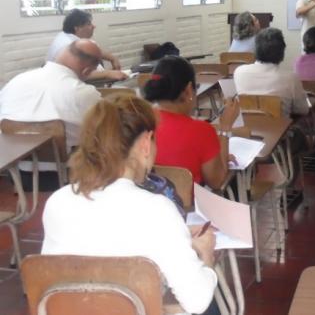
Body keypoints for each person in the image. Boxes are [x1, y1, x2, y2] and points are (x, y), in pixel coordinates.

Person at [41, 94, 218, 315]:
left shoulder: (57, 202)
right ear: (145, 143)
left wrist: (178, 236)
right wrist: (207, 256)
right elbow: (197, 301)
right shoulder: (156, 209)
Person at [0, 40, 102, 167]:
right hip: (70, 173)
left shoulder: (15, 82)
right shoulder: (85, 93)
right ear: (87, 71)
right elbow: (103, 133)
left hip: (16, 171)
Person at [142, 56, 238, 190]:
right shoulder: (202, 131)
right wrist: (225, 128)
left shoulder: (139, 122)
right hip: (187, 208)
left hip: (148, 203)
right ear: (188, 90)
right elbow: (217, 181)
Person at [233, 28, 309, 119]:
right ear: (282, 52)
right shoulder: (291, 78)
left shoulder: (239, 72)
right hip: (281, 130)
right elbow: (302, 109)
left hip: (246, 129)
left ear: (256, 49)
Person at [46, 8, 127, 82]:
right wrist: (108, 74)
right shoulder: (68, 44)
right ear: (77, 28)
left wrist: (112, 58)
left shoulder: (65, 35)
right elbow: (79, 74)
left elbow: (92, 51)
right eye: (88, 24)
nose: (93, 26)